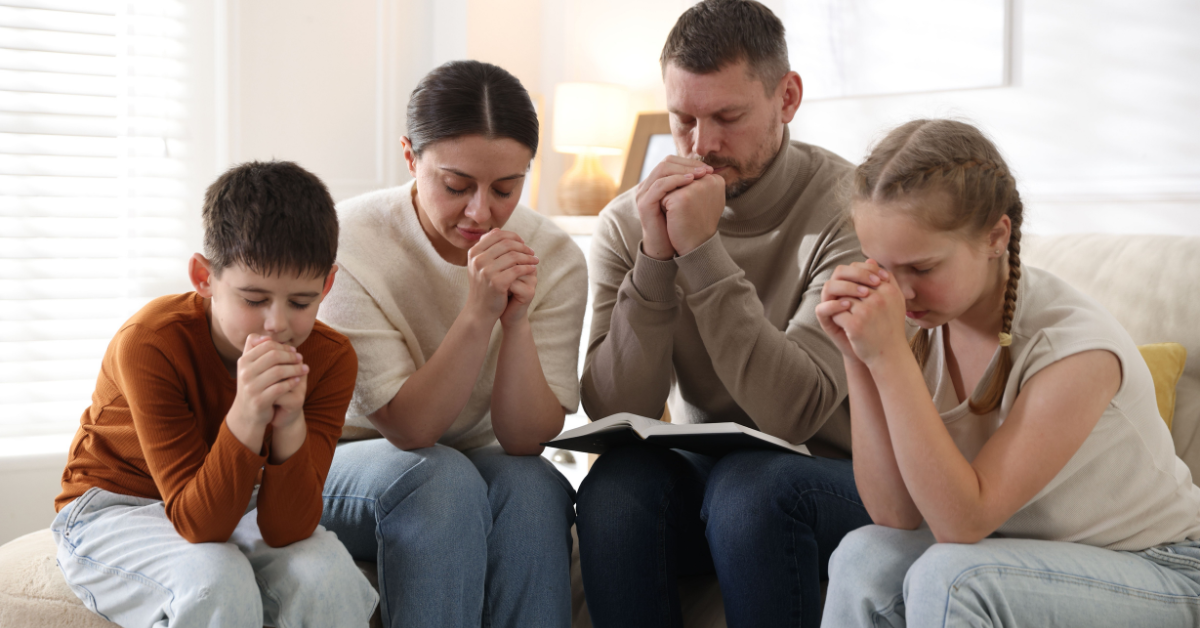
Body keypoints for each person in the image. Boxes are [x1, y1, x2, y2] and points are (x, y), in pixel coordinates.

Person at [816, 118, 1200, 627]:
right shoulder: (922, 326)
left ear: (997, 235)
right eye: (881, 267)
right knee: (863, 555)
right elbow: (894, 514)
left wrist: (886, 358)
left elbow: (961, 521)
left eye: (922, 268)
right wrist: (856, 356)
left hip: (1161, 568)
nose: (900, 293)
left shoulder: (1074, 349)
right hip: (1014, 558)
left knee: (952, 578)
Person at [575, 1, 872, 626]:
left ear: (787, 97)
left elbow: (799, 410)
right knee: (615, 489)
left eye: (728, 117)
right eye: (682, 119)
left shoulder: (854, 213)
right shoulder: (628, 222)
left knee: (751, 487)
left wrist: (702, 254)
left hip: (836, 479)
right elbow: (612, 409)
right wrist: (656, 257)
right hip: (714, 478)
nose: (702, 146)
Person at [316, 59, 587, 628]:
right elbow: (411, 430)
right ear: (411, 158)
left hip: (479, 462)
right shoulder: (350, 244)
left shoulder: (556, 258)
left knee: (535, 484)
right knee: (439, 476)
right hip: (340, 461)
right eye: (456, 185)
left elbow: (524, 440)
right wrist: (478, 311)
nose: (480, 212)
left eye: (506, 188)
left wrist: (515, 322)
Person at [51, 161, 378, 628]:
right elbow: (201, 526)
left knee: (327, 575)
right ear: (204, 278)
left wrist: (288, 424)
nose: (278, 324)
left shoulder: (330, 358)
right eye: (253, 299)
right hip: (114, 506)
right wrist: (246, 413)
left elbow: (288, 529)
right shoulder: (151, 341)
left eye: (301, 302)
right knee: (216, 579)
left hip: (236, 496)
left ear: (327, 284)